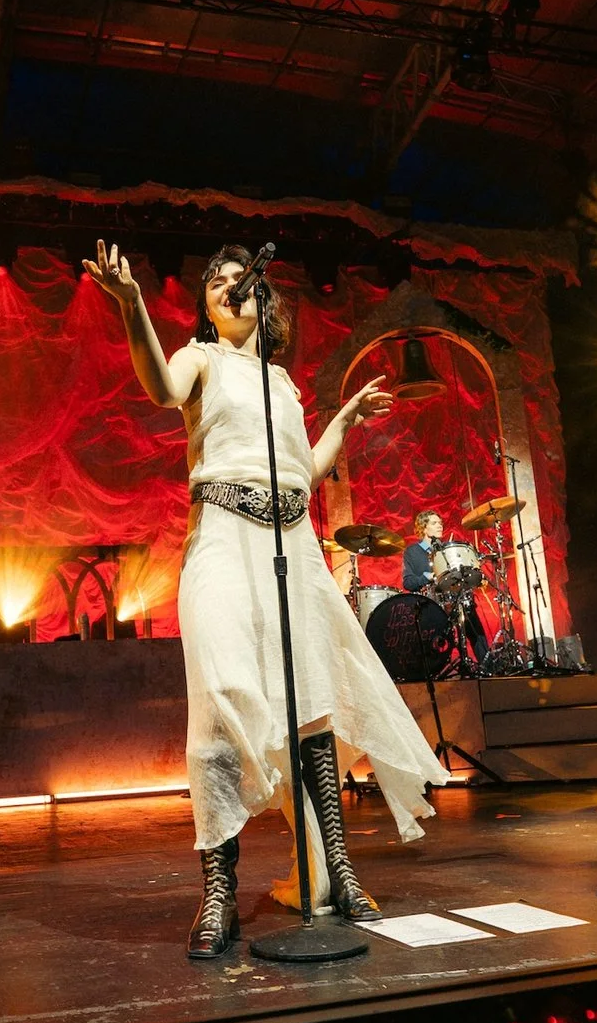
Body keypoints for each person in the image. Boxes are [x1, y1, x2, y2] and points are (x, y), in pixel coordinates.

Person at [84, 241, 450, 958]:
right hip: (221, 539)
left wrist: (341, 421)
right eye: (215, 282)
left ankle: (337, 870)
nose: (227, 287)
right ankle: (218, 889)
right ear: (208, 305)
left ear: (263, 298)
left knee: (311, 701)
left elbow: (301, 472)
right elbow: (160, 386)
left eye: (237, 279)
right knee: (220, 701)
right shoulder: (202, 358)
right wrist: (131, 303)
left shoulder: (280, 383)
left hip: (294, 544)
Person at [401, 509, 490, 662]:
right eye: (434, 523)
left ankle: (488, 666)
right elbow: (408, 583)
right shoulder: (412, 552)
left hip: (457, 597)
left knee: (475, 627)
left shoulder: (448, 549)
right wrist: (427, 576)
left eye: (440, 523)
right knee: (433, 642)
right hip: (432, 604)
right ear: (423, 528)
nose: (440, 526)